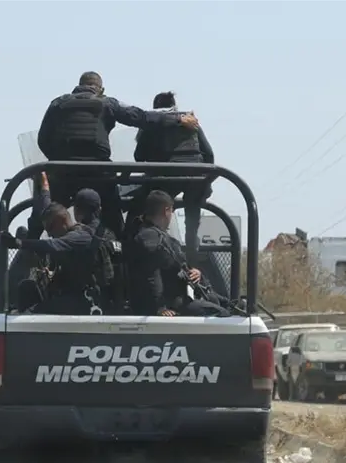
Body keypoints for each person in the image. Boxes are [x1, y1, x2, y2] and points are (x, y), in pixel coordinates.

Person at [30, 71, 201, 240]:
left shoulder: (58, 104)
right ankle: (121, 255)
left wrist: (60, 160)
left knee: (42, 215)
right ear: (101, 89)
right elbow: (142, 118)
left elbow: (43, 140)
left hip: (64, 174)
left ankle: (27, 248)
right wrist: (178, 120)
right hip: (99, 174)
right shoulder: (107, 103)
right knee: (115, 221)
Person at [0, 181, 119, 315]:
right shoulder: (109, 235)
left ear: (76, 211)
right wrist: (43, 185)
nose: (50, 234)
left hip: (83, 302)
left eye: (50, 228)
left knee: (26, 317)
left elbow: (53, 245)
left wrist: (18, 243)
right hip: (98, 301)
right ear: (99, 209)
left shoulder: (83, 236)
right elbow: (51, 211)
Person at [131, 91, 215, 255]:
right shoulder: (191, 122)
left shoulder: (154, 122)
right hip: (196, 176)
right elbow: (209, 154)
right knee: (192, 220)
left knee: (143, 207)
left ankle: (152, 245)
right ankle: (192, 255)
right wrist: (206, 180)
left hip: (167, 176)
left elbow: (139, 156)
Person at [126, 190, 230, 317]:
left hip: (179, 299)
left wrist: (196, 273)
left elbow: (176, 266)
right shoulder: (149, 237)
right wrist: (159, 307)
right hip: (171, 304)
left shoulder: (159, 236)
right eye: (172, 211)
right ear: (166, 211)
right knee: (221, 314)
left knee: (226, 305)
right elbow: (151, 274)